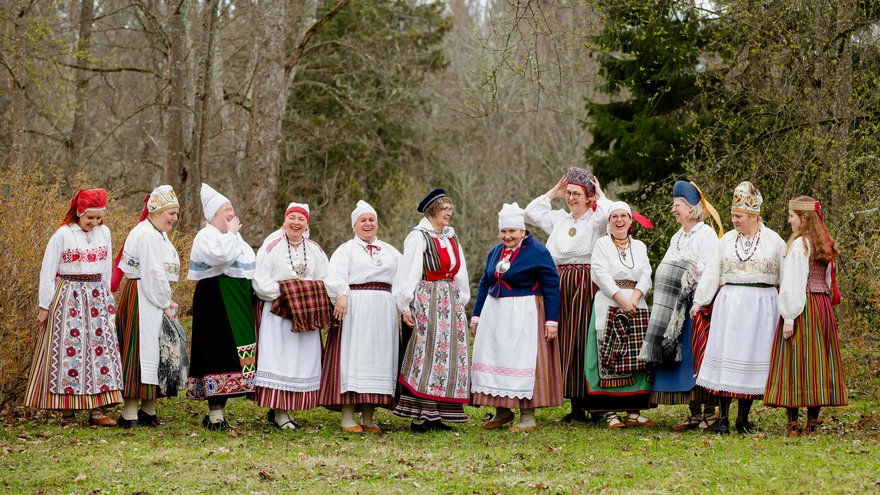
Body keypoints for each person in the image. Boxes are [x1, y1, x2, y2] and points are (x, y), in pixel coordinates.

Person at [690, 181, 787, 434]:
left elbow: (786, 277)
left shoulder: (773, 241)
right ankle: (722, 417)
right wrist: (700, 300)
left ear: (754, 216)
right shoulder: (726, 241)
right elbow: (713, 270)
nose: (734, 220)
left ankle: (742, 418)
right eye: (732, 215)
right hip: (731, 304)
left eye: (739, 216)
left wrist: (788, 312)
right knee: (727, 357)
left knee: (751, 359)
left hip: (761, 305)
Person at [24, 189, 123, 426]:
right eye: (90, 218)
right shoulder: (62, 235)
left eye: (98, 217)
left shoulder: (104, 232)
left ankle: (97, 411)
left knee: (99, 351)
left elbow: (107, 266)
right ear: (79, 212)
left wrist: (108, 296)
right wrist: (44, 306)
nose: (95, 222)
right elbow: (47, 272)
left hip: (97, 294)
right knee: (69, 351)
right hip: (69, 295)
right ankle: (67, 413)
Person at [524, 167, 612, 423]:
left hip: (585, 283)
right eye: (569, 193)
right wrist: (554, 192)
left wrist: (600, 195)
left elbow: (613, 213)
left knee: (584, 339)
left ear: (588, 196)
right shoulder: (559, 219)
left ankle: (593, 403)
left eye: (577, 194)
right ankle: (574, 406)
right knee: (564, 340)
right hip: (559, 282)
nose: (571, 198)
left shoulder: (595, 220)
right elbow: (531, 212)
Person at [469, 203, 563, 431]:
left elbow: (551, 285)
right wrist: (476, 316)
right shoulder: (495, 251)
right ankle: (502, 411)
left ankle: (527, 416)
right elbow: (485, 283)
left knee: (521, 361)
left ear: (522, 231)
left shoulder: (537, 251)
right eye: (504, 231)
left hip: (525, 313)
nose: (507, 236)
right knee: (496, 357)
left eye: (512, 231)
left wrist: (552, 320)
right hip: (495, 314)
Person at [638, 181, 723, 431]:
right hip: (676, 308)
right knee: (685, 359)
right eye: (674, 205)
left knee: (698, 358)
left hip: (697, 305)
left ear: (691, 208)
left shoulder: (705, 234)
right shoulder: (678, 237)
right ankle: (694, 413)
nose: (673, 210)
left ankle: (710, 412)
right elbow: (665, 267)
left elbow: (707, 269)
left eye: (677, 205)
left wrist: (688, 280)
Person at [764, 197, 846, 436]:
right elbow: (830, 281)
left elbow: (792, 283)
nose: (789, 220)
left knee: (795, 362)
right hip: (822, 308)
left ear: (804, 218)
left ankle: (793, 425)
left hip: (803, 308)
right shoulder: (825, 244)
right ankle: (812, 423)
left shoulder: (800, 245)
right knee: (817, 363)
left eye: (792, 215)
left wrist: (789, 318)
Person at [392, 188, 470, 432]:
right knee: (425, 356)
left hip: (449, 300)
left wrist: (461, 300)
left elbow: (461, 270)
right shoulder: (419, 237)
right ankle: (420, 416)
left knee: (446, 359)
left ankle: (436, 415)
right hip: (427, 299)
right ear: (432, 211)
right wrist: (406, 305)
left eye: (450, 208)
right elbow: (409, 272)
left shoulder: (450, 236)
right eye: (445, 208)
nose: (449, 212)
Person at [322, 200, 402, 433]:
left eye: (371, 220)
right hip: (356, 308)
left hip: (383, 310)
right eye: (363, 220)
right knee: (353, 358)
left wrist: (401, 303)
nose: (368, 224)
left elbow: (404, 277)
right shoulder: (346, 249)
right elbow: (334, 275)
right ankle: (348, 417)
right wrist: (341, 295)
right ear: (354, 225)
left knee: (379, 360)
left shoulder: (389, 251)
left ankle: (369, 418)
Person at [186, 184, 257, 431]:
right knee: (218, 351)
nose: (231, 213)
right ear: (214, 214)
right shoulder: (207, 236)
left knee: (233, 354)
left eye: (232, 209)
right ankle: (215, 415)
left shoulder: (234, 237)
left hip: (237, 299)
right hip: (216, 297)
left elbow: (249, 266)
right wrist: (233, 234)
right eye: (226, 209)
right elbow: (222, 258)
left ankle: (220, 412)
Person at [252, 202, 330, 429]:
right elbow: (260, 283)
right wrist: (288, 293)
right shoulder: (272, 246)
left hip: (305, 316)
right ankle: (280, 413)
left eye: (301, 219)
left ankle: (285, 410)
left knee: (300, 361)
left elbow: (326, 279)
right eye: (292, 218)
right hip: (278, 313)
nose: (296, 223)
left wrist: (306, 294)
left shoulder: (315, 249)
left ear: (307, 224)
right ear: (284, 221)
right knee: (280, 360)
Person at [114, 185, 182, 427]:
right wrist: (166, 303)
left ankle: (148, 410)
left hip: (151, 296)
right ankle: (129, 413)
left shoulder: (157, 233)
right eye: (170, 213)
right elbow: (153, 273)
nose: (174, 218)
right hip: (143, 296)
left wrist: (167, 301)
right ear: (155, 211)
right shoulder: (146, 234)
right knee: (140, 352)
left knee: (156, 351)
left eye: (176, 213)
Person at [586, 201, 656, 428]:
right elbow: (600, 274)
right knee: (611, 356)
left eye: (623, 216)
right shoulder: (602, 245)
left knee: (637, 357)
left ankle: (634, 412)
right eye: (614, 216)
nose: (619, 220)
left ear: (631, 220)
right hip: (609, 302)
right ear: (609, 222)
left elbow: (646, 274)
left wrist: (634, 299)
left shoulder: (640, 247)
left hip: (636, 304)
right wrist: (621, 299)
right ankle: (610, 412)